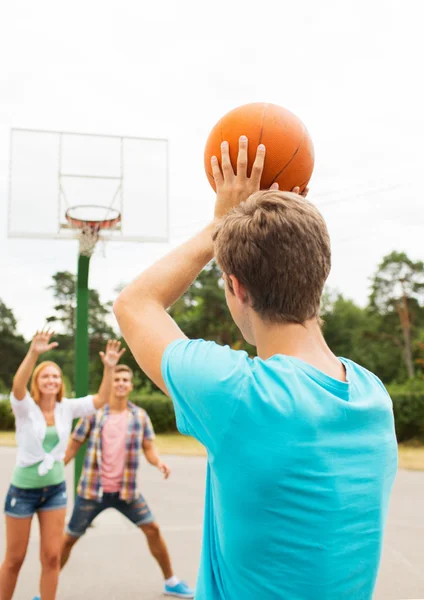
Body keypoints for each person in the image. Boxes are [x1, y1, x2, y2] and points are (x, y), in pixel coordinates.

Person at [113, 136, 398, 600]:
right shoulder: (374, 397)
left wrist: (219, 226)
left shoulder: (240, 395)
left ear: (235, 287)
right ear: (319, 273)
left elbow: (134, 303)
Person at [0, 331, 125, 600]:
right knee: (14, 559)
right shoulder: (25, 408)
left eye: (55, 376)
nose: (51, 380)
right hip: (22, 492)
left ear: (61, 383)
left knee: (52, 557)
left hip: (54, 491)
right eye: (45, 376)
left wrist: (110, 368)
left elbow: (101, 399)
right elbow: (17, 386)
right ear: (37, 381)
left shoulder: (66, 408)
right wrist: (34, 353)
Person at [61, 363, 195, 598]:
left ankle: (171, 581)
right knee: (69, 538)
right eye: (116, 379)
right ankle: (47, 585)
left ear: (130, 386)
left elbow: (149, 449)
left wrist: (158, 463)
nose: (121, 383)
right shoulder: (94, 414)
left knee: (152, 529)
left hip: (126, 493)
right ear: (110, 384)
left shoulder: (139, 416)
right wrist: (55, 468)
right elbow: (73, 446)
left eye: (125, 380)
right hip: (92, 492)